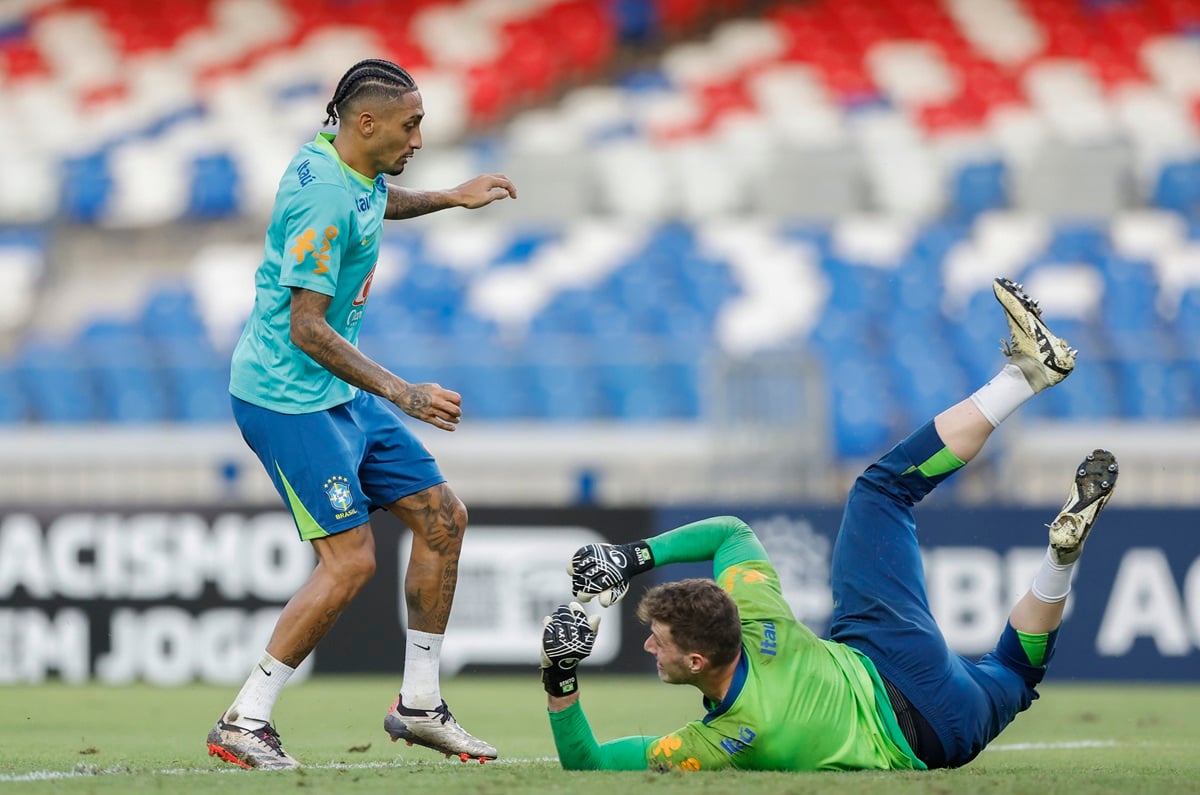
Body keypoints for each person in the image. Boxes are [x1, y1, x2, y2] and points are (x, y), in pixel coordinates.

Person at [538, 277, 1119, 771]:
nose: (646, 645)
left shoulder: (725, 741)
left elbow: (585, 763)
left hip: (944, 737)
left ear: (696, 664)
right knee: (881, 490)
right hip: (888, 660)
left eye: (656, 641)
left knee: (1017, 673)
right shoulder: (760, 615)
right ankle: (1022, 379)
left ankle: (1059, 561)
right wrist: (633, 556)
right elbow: (731, 533)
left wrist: (560, 677)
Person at [206, 58, 516, 770]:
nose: (418, 137)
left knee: (444, 516)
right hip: (286, 395)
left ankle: (419, 704)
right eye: (411, 125)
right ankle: (243, 719)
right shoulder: (317, 198)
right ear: (366, 123)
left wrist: (450, 198)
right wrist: (404, 393)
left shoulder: (355, 171)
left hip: (335, 393)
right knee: (349, 562)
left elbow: (378, 200)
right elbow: (306, 328)